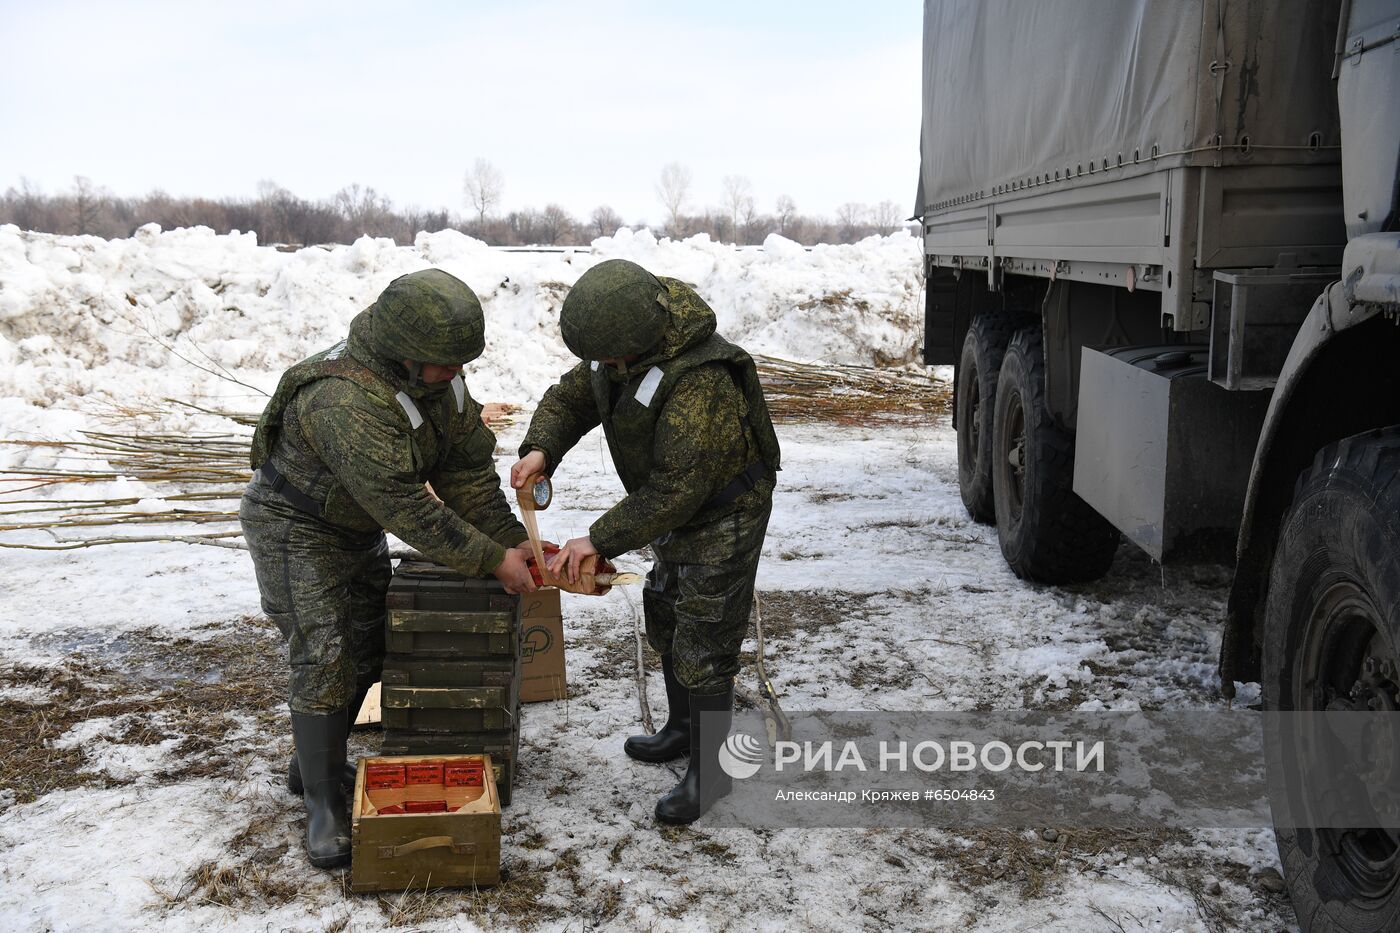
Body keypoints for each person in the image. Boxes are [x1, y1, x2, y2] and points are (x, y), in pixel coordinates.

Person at [239, 268, 535, 868]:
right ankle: (322, 802)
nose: (456, 374)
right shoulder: (342, 395)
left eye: (460, 362)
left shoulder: (438, 380)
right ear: (403, 353)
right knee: (325, 650)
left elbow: (465, 474)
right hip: (296, 524)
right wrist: (491, 559)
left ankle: (311, 762)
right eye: (444, 364)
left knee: (372, 642)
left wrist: (513, 541)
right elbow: (405, 504)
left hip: (352, 523)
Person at [511, 258, 780, 824]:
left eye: (610, 360)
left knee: (705, 636)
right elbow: (571, 398)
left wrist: (600, 538)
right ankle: (681, 728)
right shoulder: (623, 349)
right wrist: (540, 449)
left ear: (636, 341)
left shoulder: (700, 378)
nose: (604, 368)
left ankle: (712, 775)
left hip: (724, 511)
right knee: (666, 611)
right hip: (676, 510)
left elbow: (680, 487)